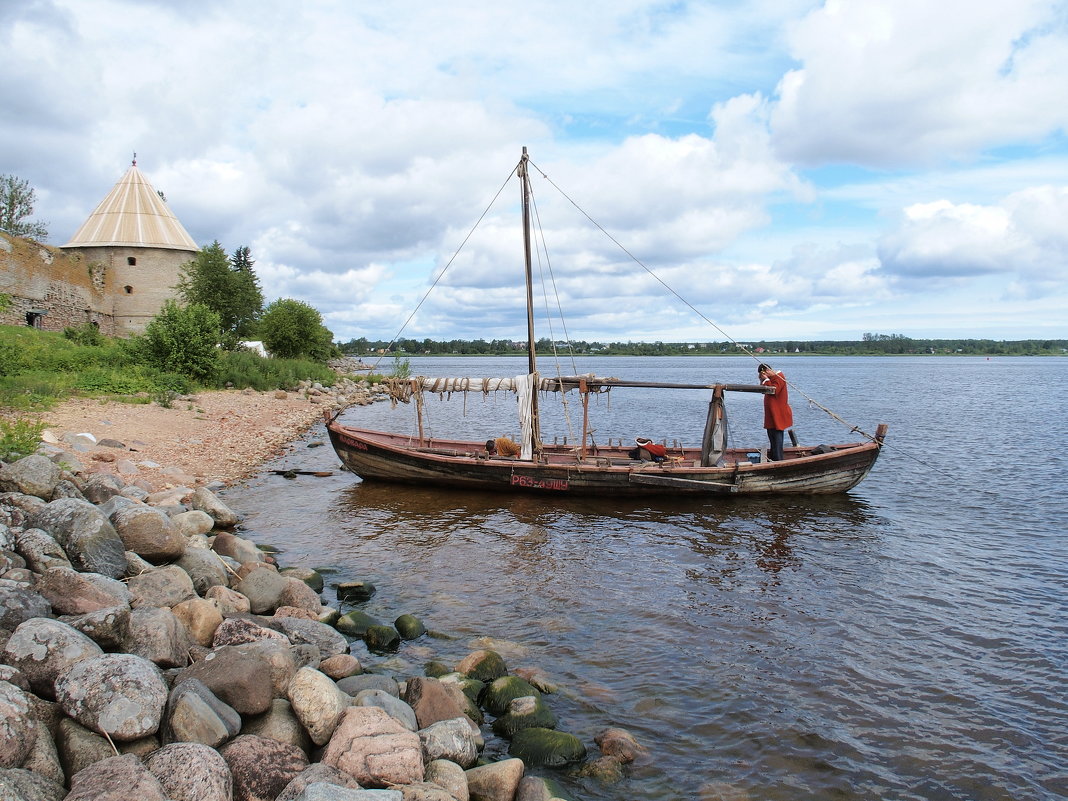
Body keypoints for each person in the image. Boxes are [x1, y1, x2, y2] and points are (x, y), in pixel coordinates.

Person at [758, 363, 793, 461]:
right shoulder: (771, 379)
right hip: (771, 414)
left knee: (777, 440)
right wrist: (764, 380)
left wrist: (766, 379)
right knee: (772, 438)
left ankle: (779, 461)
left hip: (778, 414)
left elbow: (773, 390)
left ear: (766, 371)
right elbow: (763, 389)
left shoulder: (779, 377)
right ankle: (774, 459)